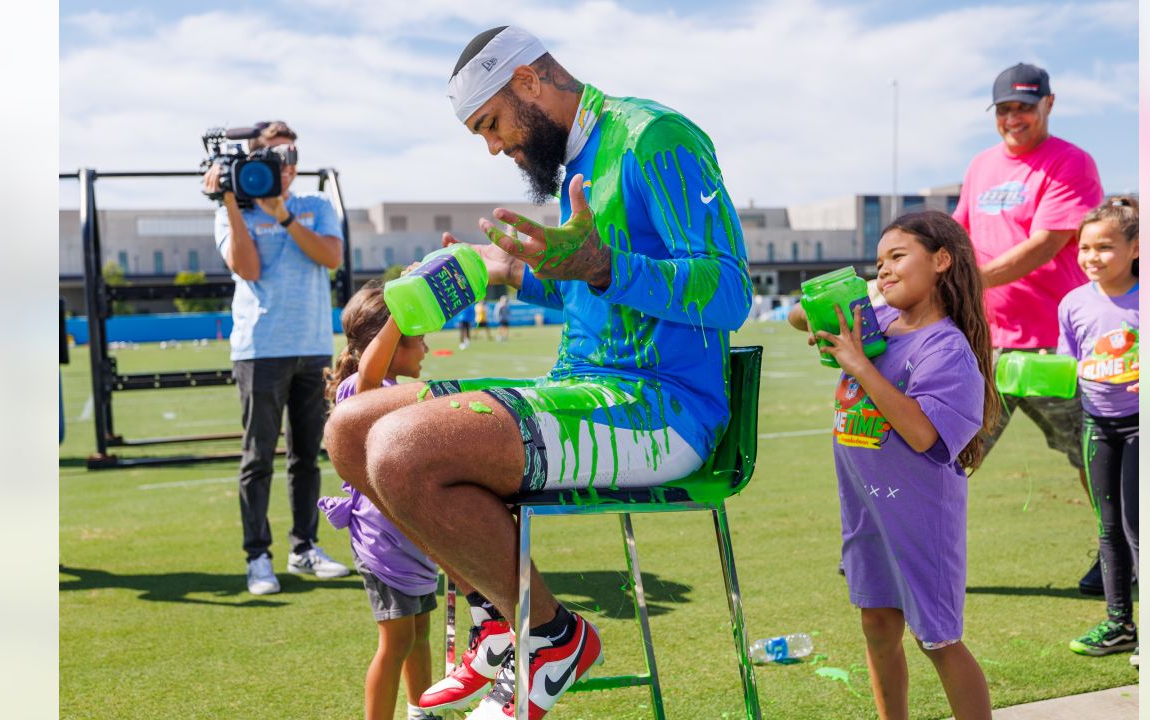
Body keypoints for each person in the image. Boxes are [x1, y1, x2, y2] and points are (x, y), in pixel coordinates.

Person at [324, 26, 750, 720]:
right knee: (350, 428)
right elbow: (586, 286)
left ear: (529, 81)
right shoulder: (577, 160)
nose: (495, 146)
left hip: (664, 407)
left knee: (403, 449)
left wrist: (603, 263)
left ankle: (550, 637)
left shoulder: (656, 136)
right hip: (583, 387)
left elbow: (729, 292)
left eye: (490, 125)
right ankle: (507, 617)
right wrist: (504, 272)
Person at [791, 211, 999, 720]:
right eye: (878, 262)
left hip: (921, 515)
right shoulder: (875, 322)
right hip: (868, 510)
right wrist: (854, 293)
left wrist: (860, 364)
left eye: (898, 257)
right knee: (878, 627)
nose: (884, 270)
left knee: (938, 639)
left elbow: (922, 431)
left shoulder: (946, 348)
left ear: (942, 261)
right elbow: (799, 316)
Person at [951, 63, 1106, 593]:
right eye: (1004, 109)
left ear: (1049, 104)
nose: (1013, 117)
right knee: (951, 450)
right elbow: (961, 235)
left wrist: (967, 281)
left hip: (1057, 347)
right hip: (987, 344)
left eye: (1024, 105)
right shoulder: (980, 167)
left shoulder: (1070, 163)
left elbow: (1046, 244)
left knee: (1093, 456)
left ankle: (1127, 554)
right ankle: (905, 550)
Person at [204, 120, 349, 595]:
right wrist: (230, 199)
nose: (284, 167)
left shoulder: (315, 205)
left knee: (307, 457)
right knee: (258, 458)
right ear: (253, 159)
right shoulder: (232, 211)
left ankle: (304, 546)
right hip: (260, 348)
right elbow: (248, 268)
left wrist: (283, 215)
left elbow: (331, 257)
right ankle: (257, 557)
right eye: (273, 157)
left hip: (311, 347)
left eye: (290, 157)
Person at [318, 280, 443, 720]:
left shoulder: (393, 386)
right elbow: (370, 375)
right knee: (396, 643)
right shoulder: (360, 389)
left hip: (412, 537)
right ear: (387, 345)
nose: (426, 348)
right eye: (417, 338)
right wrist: (398, 312)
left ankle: (422, 711)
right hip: (383, 542)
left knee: (420, 632)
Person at [1057, 198, 1139, 663]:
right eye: (1085, 247)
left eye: (1104, 247)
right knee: (1108, 528)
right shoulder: (1073, 303)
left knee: (1140, 528)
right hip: (1099, 426)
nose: (1091, 256)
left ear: (1136, 248)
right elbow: (1071, 360)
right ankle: (1119, 625)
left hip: (1146, 426)